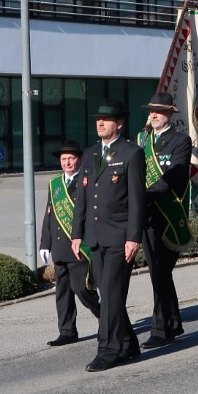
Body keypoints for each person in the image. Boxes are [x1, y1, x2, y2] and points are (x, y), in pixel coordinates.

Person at [72, 99, 146, 372]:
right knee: (108, 292)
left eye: (106, 119)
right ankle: (128, 342)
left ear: (120, 123)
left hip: (119, 237)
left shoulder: (131, 153)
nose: (100, 123)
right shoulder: (91, 153)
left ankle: (108, 350)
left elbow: (137, 200)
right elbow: (82, 196)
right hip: (95, 236)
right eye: (98, 119)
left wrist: (134, 237)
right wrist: (77, 233)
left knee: (112, 295)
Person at [136, 92, 191, 349]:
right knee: (158, 273)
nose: (153, 115)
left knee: (160, 272)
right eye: (151, 111)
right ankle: (173, 321)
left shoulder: (180, 141)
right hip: (146, 215)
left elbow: (174, 176)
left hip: (168, 215)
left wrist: (144, 195)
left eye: (158, 111)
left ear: (169, 114)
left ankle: (161, 329)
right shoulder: (142, 140)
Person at [39, 139, 100, 346]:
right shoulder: (55, 184)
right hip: (59, 248)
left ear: (79, 159)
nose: (67, 162)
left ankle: (106, 318)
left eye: (71, 158)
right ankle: (67, 331)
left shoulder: (87, 180)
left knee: (82, 289)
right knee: (62, 292)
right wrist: (45, 243)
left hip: (78, 247)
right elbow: (49, 214)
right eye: (64, 159)